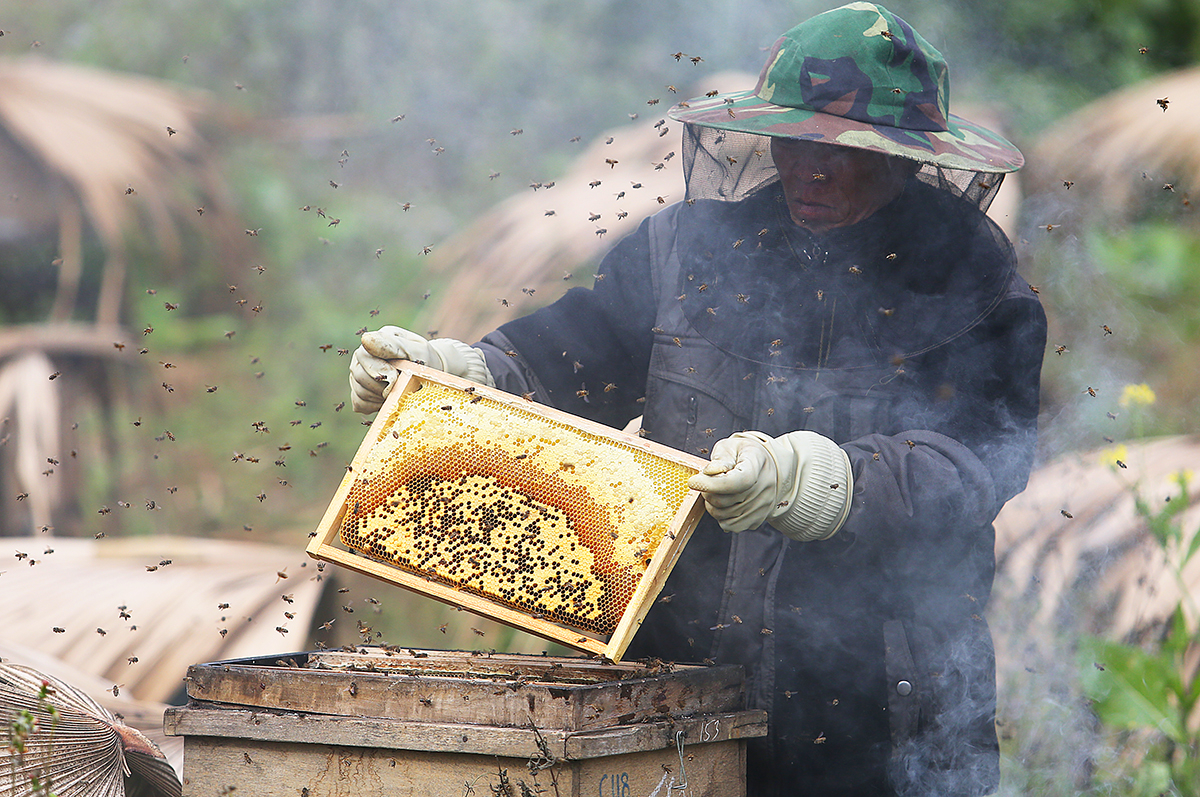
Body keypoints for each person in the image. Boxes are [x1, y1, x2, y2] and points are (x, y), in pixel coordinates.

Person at [349, 4, 1046, 795]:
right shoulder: (692, 253)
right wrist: (464, 374)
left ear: (900, 158)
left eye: (839, 150)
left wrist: (821, 482)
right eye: (796, 141)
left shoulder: (979, 294)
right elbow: (575, 355)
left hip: (879, 711)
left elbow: (981, 460)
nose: (809, 168)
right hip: (674, 676)